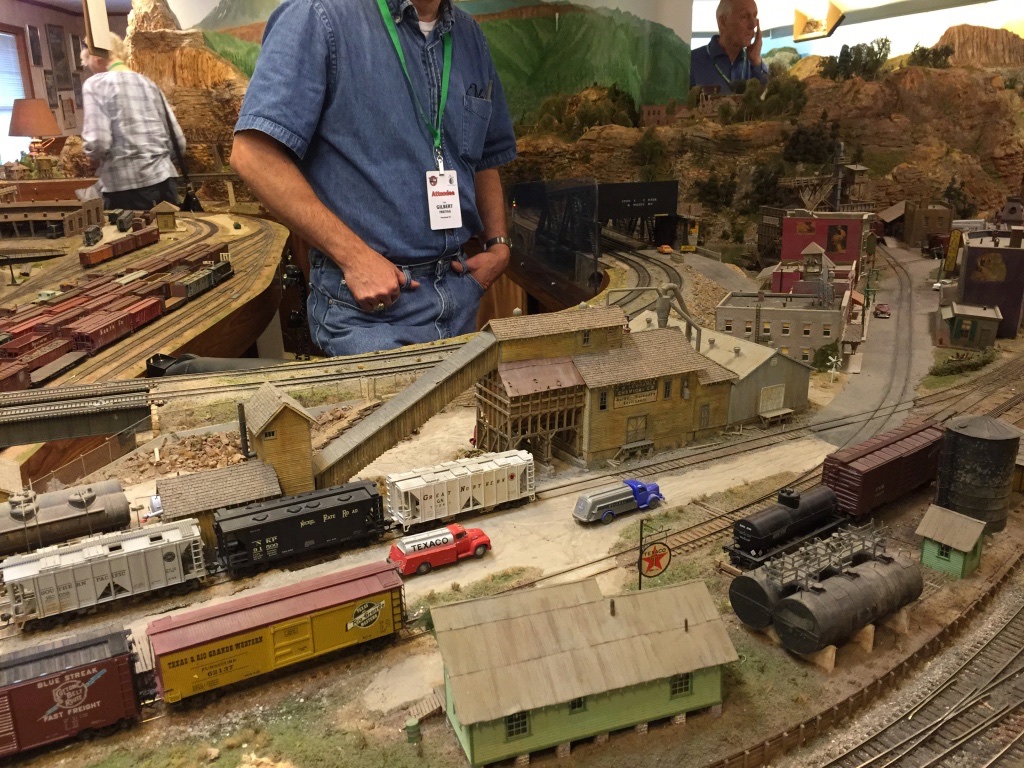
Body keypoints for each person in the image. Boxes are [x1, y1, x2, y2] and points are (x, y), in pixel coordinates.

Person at [230, 0, 517, 357]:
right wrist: (354, 258)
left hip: (460, 295)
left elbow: (485, 156)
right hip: (370, 310)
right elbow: (253, 155)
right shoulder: (318, 16)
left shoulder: (469, 34)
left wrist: (499, 245)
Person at [80, 34, 186, 210]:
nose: (91, 70)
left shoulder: (96, 84)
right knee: (171, 227)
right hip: (165, 181)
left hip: (125, 189)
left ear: (96, 56)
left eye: (88, 63)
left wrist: (92, 157)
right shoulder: (149, 83)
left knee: (131, 229)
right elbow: (179, 141)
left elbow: (98, 142)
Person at [690, 0, 770, 95]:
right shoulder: (691, 62)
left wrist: (756, 61)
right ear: (723, 22)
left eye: (754, 16)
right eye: (744, 17)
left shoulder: (753, 65)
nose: (753, 25)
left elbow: (772, 96)